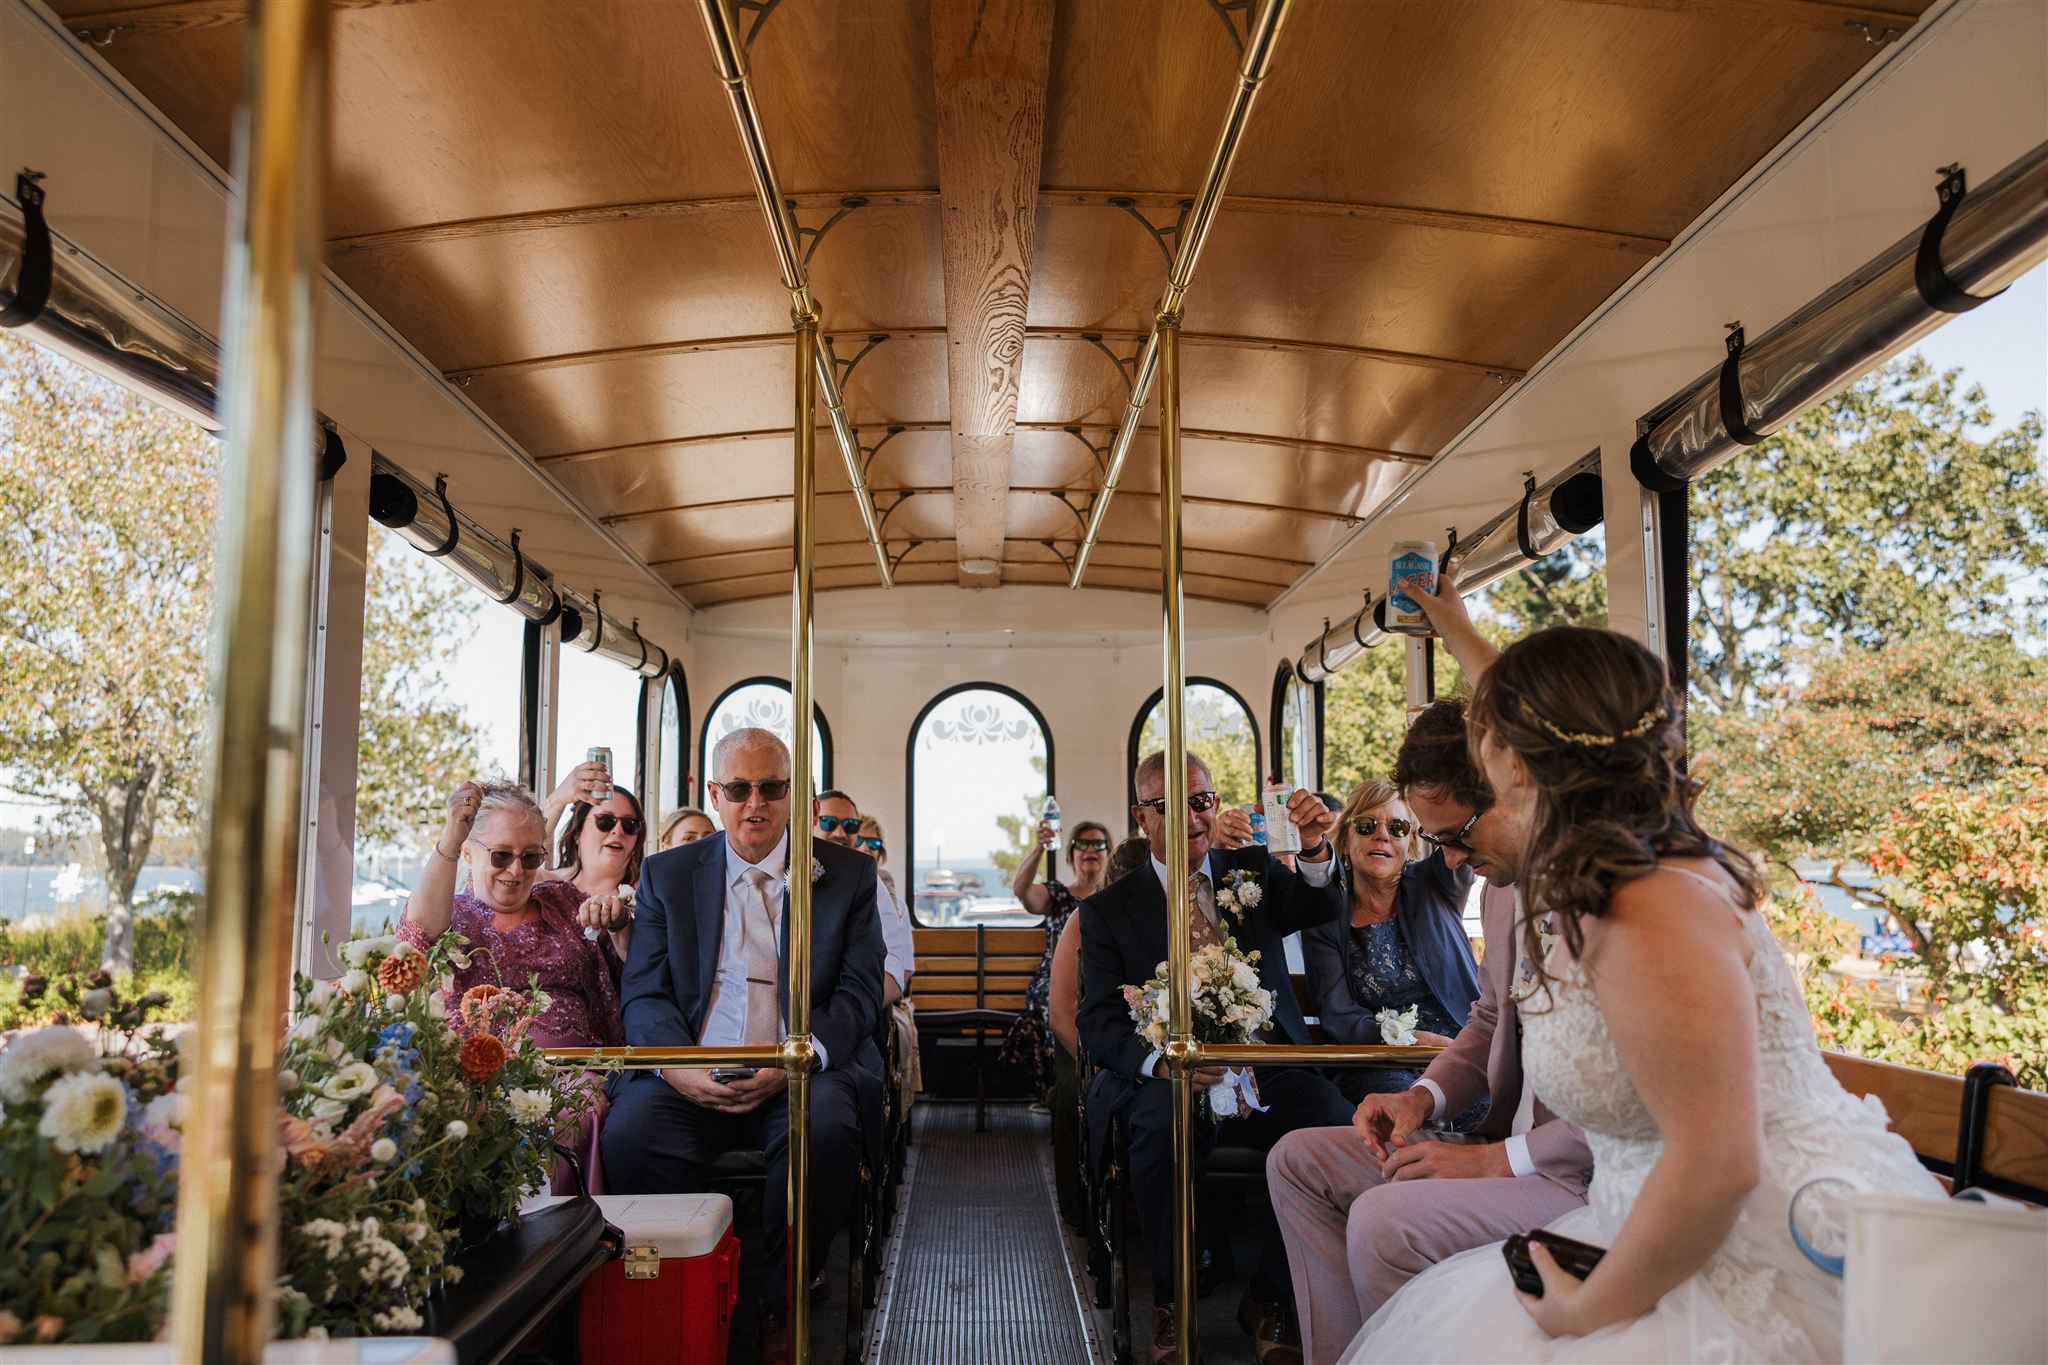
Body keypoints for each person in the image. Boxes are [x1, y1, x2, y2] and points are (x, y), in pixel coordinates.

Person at [1347, 626, 1943, 1362]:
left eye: (1494, 772)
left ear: (1531, 770)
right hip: (1638, 1215)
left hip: (1760, 1246)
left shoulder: (1653, 905)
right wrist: (1459, 625)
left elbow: (1720, 1163)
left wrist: (1585, 1312)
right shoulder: (1614, 875)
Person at [602, 729, 886, 1364]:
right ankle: (688, 1288)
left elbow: (862, 993)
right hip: (694, 1067)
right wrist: (679, 1070)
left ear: (793, 796)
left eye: (772, 788)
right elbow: (645, 994)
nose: (754, 803)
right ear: (715, 794)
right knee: (631, 1136)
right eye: (737, 789)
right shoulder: (667, 875)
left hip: (797, 1069)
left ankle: (778, 1300)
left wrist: (798, 1057)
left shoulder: (845, 875)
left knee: (825, 1134)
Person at [1079, 750, 1353, 1365]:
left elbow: (1318, 907)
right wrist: (1161, 1063)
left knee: (1334, 1128)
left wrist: (1312, 849)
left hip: (1267, 1063)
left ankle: (1270, 1295)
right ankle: (1171, 1298)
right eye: (1170, 806)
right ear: (1141, 817)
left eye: (1202, 801)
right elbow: (1096, 1021)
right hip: (1171, 1075)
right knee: (1159, 1129)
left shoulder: (1248, 870)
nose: (1193, 818)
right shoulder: (1107, 913)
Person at [400, 780, 626, 1192]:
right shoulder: (452, 913)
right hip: (481, 1075)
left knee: (576, 1109)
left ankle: (574, 1238)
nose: (516, 871)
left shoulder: (561, 899)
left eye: (530, 856)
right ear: (468, 853)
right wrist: (452, 833)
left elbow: (622, 969)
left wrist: (620, 925)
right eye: (501, 855)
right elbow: (415, 944)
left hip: (577, 1074)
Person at [1302, 779, 1478, 1105]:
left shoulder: (1438, 883)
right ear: (1345, 840)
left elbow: (1462, 827)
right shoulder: (1326, 915)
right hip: (1380, 1058)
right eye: (1366, 826)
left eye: (1397, 827)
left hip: (1460, 1046)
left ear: (1411, 845)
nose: (1382, 835)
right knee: (1405, 1101)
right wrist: (1411, 1041)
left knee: (1479, 1095)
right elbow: (1338, 1014)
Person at [1000, 817, 1111, 1101]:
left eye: (1098, 844)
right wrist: (1039, 848)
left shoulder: (1113, 897)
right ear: (1071, 853)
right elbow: (1022, 890)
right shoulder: (1059, 895)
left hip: (1101, 977)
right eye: (1082, 844)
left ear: (1109, 853)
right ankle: (1061, 1084)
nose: (1090, 850)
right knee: (1048, 1004)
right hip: (1057, 977)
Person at [545, 784, 646, 923]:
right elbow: (525, 847)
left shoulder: (647, 897)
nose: (618, 831)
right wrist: (559, 799)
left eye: (630, 824)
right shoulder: (544, 884)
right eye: (605, 821)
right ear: (578, 833)